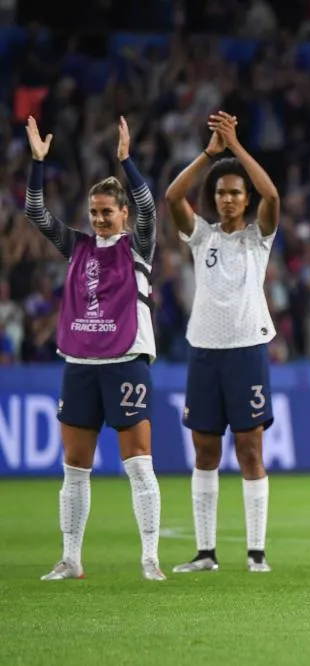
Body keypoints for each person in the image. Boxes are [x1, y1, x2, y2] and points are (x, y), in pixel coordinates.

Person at [25, 116, 164, 581]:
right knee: (75, 470)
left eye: (108, 211)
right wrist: (37, 164)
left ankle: (149, 558)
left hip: (125, 361)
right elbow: (35, 214)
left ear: (122, 214)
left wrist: (127, 162)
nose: (100, 218)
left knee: (139, 466)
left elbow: (149, 207)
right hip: (80, 363)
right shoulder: (78, 246)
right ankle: (71, 559)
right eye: (94, 211)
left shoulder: (138, 246)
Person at [165, 111, 281, 574]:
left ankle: (256, 553)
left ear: (245, 198)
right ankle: (206, 553)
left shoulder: (259, 238)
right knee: (205, 452)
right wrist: (210, 154)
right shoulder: (201, 236)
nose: (228, 198)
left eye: (235, 192)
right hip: (204, 351)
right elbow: (173, 195)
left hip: (248, 350)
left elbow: (272, 193)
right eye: (221, 192)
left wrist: (236, 147)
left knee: (249, 450)